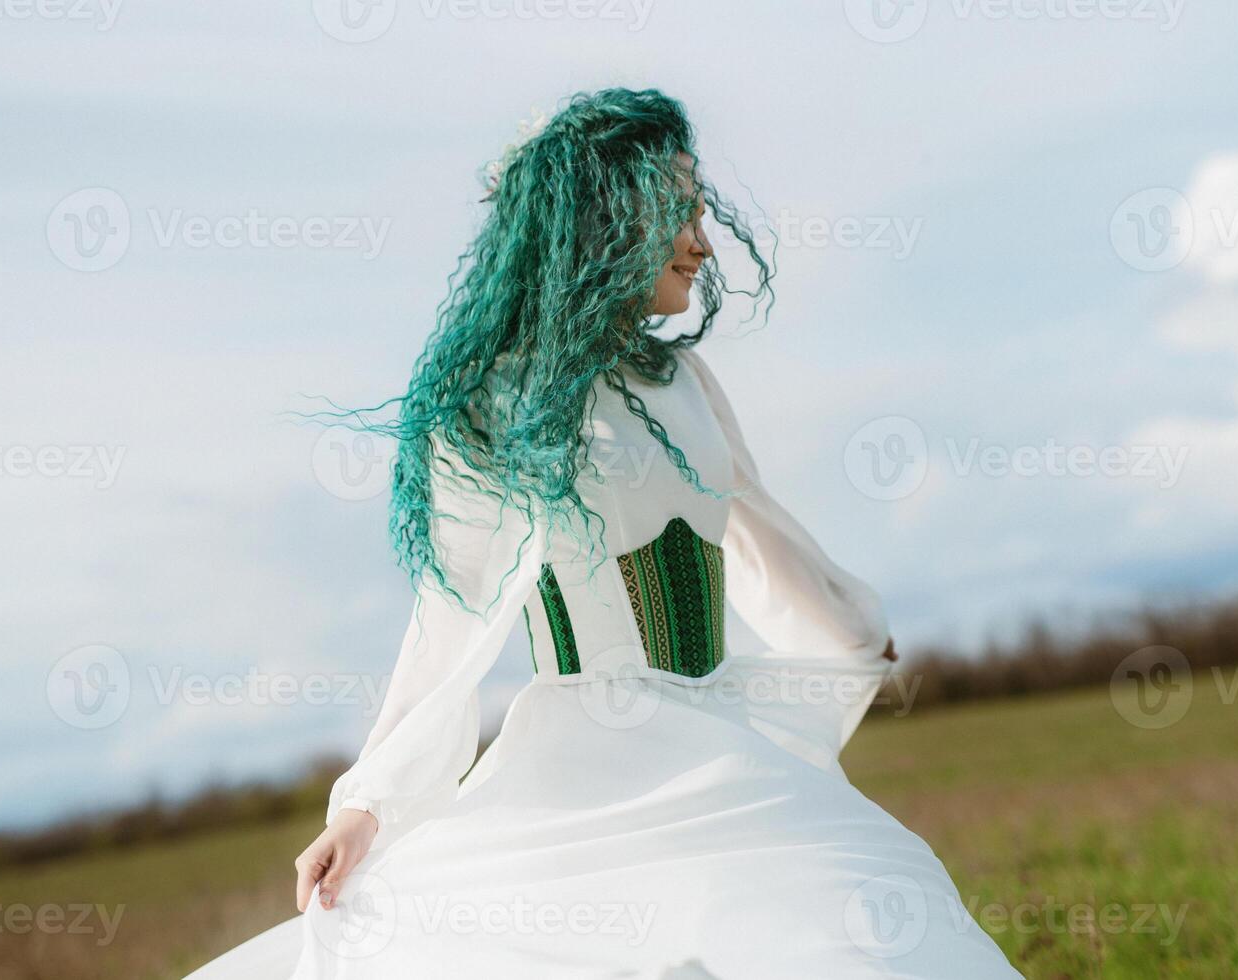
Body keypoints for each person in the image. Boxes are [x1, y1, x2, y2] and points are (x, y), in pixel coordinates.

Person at [186, 87, 1019, 979]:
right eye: (677, 213)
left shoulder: (687, 380)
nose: (701, 241)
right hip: (591, 761)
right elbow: (450, 619)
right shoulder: (499, 403)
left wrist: (849, 628)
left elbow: (758, 532)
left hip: (723, 741)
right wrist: (368, 806)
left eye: (700, 213)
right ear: (604, 220)